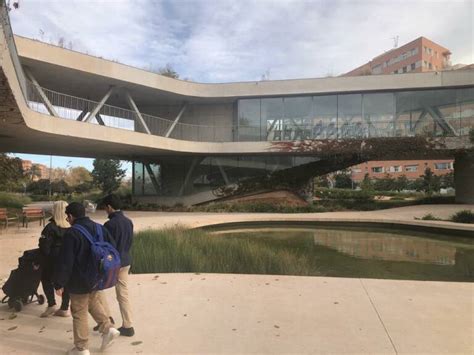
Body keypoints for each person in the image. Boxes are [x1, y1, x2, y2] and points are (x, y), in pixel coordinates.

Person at [53, 202, 120, 355]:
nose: (67, 220)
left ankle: (81, 348)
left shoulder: (72, 233)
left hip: (78, 281)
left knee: (79, 312)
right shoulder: (99, 227)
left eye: (67, 217)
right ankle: (108, 328)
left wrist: (59, 283)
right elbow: (112, 246)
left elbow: (66, 262)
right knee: (92, 303)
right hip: (97, 277)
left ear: (70, 216)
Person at [95, 194, 135, 337]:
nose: (105, 211)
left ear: (110, 207)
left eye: (105, 208)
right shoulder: (128, 221)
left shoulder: (109, 225)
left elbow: (107, 246)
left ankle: (106, 320)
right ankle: (128, 325)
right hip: (126, 260)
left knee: (97, 288)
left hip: (113, 263)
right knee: (123, 294)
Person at [38, 200, 71, 317]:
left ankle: (51, 304)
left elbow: (44, 247)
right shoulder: (71, 227)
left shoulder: (50, 228)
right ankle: (64, 308)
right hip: (67, 260)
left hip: (52, 260)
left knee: (46, 279)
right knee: (67, 282)